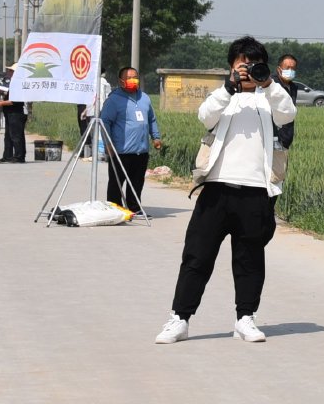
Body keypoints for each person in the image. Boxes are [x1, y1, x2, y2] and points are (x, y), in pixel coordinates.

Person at [155, 36, 296, 345]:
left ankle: (245, 318)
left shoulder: (269, 98)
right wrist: (228, 87)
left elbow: (287, 114)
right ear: (231, 66)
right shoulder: (222, 96)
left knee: (250, 259)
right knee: (197, 255)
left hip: (256, 190)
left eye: (254, 64)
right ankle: (180, 318)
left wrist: (268, 83)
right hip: (216, 188)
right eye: (242, 64)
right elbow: (205, 116)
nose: (248, 70)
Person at [99, 66, 162, 213]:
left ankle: (134, 208)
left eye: (135, 77)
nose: (133, 80)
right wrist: (108, 143)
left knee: (137, 182)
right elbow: (105, 122)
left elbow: (151, 119)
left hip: (141, 150)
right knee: (116, 183)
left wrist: (156, 137)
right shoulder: (114, 100)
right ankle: (115, 210)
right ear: (121, 81)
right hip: (121, 151)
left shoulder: (144, 98)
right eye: (129, 78)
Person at [0, 74, 29, 163]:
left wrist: (1, 103)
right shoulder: (10, 85)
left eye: (11, 71)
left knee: (16, 135)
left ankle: (19, 156)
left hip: (16, 113)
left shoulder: (19, 85)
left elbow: (14, 102)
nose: (8, 73)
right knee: (8, 136)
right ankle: (7, 156)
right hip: (9, 113)